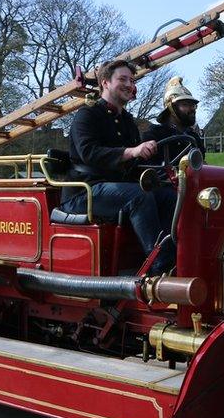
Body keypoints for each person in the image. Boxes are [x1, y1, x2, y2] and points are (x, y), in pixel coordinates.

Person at [56, 59, 177, 274]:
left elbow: (135, 160)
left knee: (169, 194)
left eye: (131, 80)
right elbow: (89, 153)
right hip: (84, 193)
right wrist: (133, 151)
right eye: (122, 79)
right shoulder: (87, 115)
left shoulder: (127, 121)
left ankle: (174, 255)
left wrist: (163, 170)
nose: (129, 85)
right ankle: (160, 265)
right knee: (138, 196)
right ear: (105, 83)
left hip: (116, 189)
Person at [142, 76, 205, 157]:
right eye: (185, 104)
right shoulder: (154, 135)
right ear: (171, 107)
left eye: (193, 105)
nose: (192, 109)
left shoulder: (194, 137)